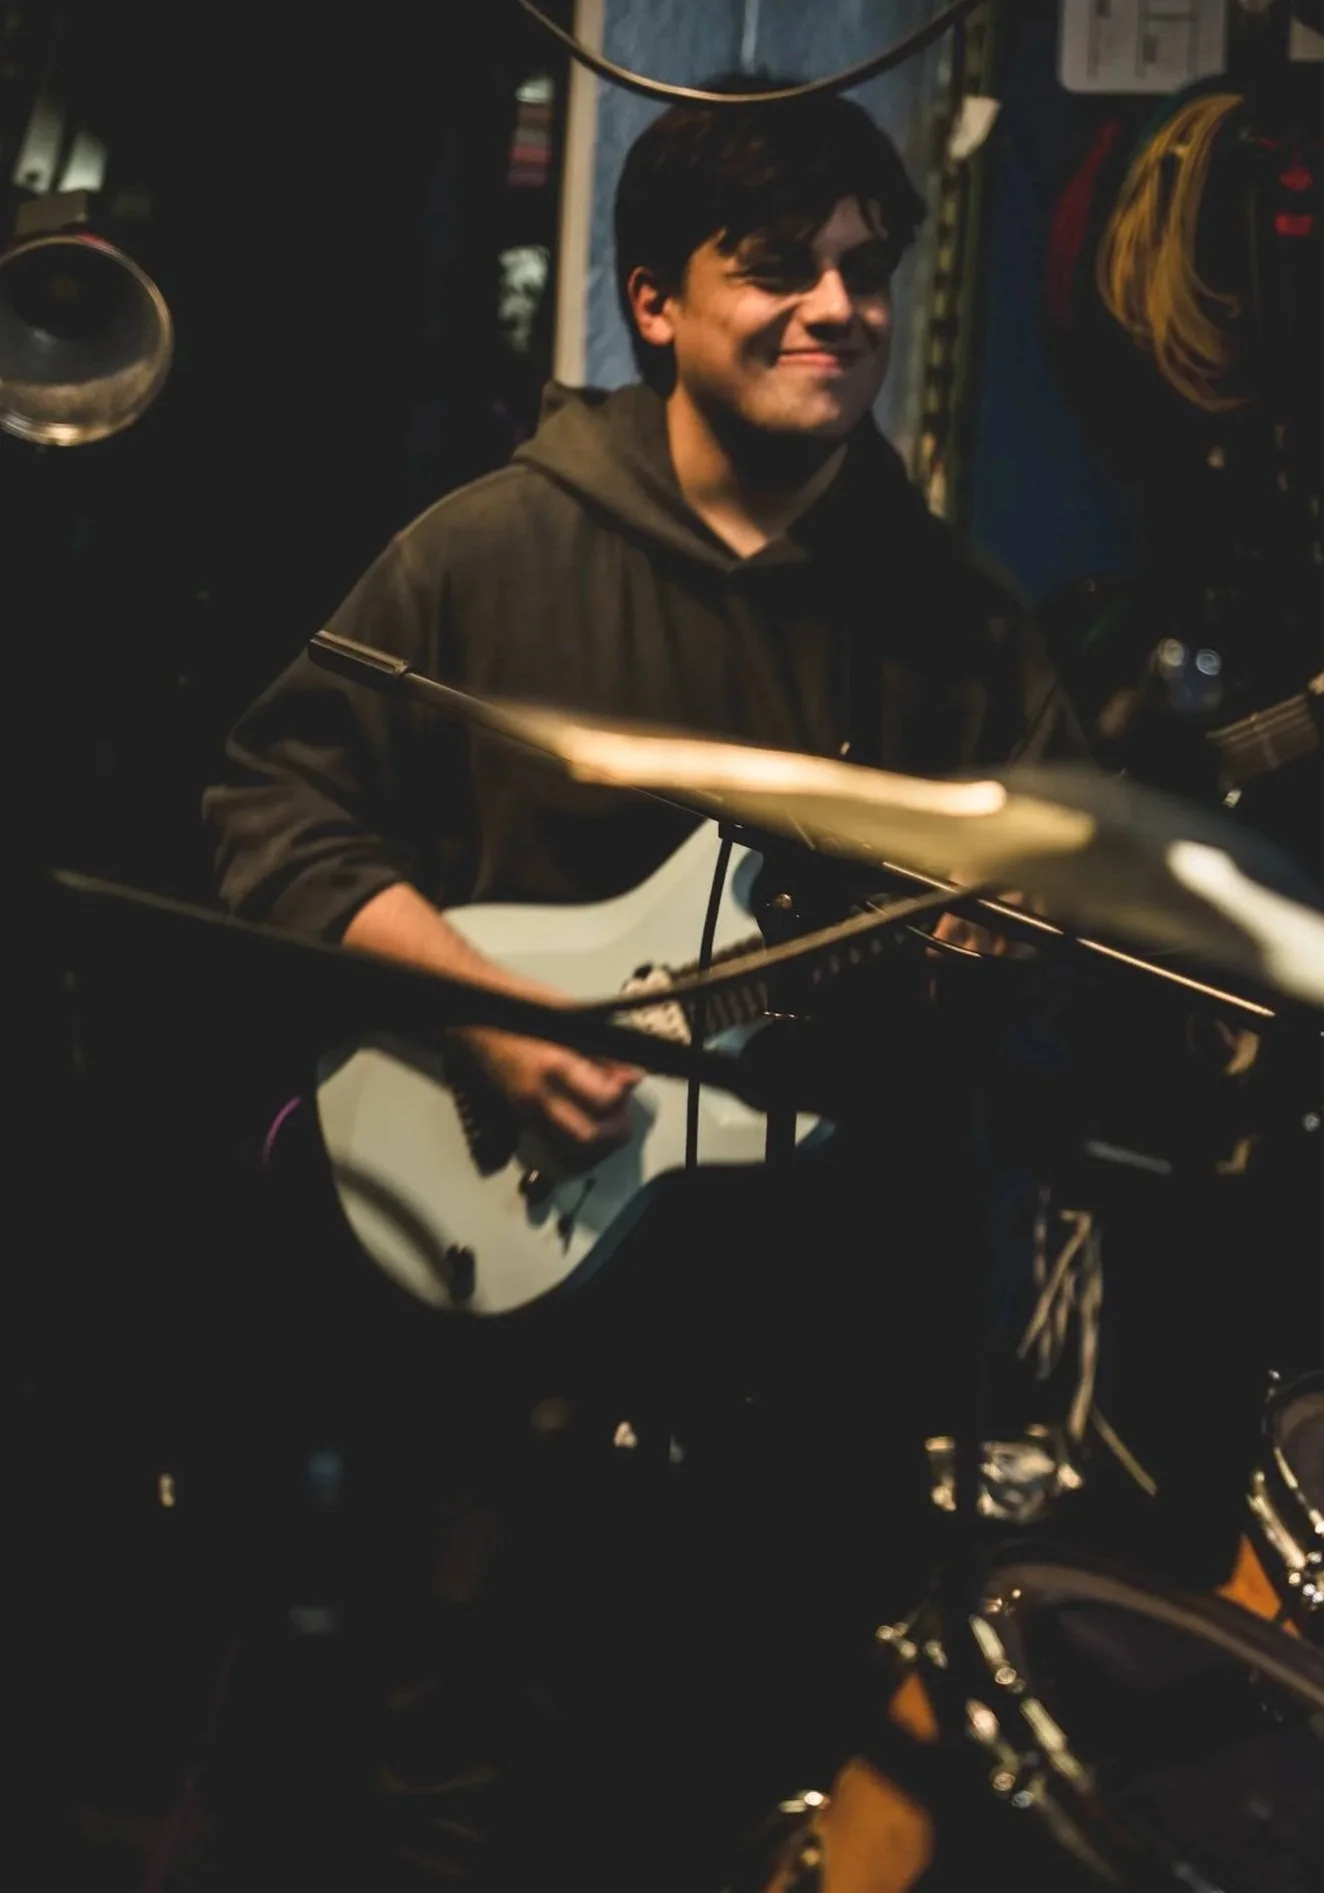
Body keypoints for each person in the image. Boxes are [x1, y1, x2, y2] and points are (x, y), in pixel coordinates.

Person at [203, 78, 1083, 1892]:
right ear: (655, 302)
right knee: (461, 1796)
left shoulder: (963, 623)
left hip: (807, 1363)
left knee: (749, 1799)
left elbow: (1047, 977)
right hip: (503, 1351)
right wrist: (478, 1006)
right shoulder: (487, 552)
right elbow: (273, 805)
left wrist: (1005, 962)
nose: (839, 308)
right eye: (780, 268)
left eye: (868, 270)